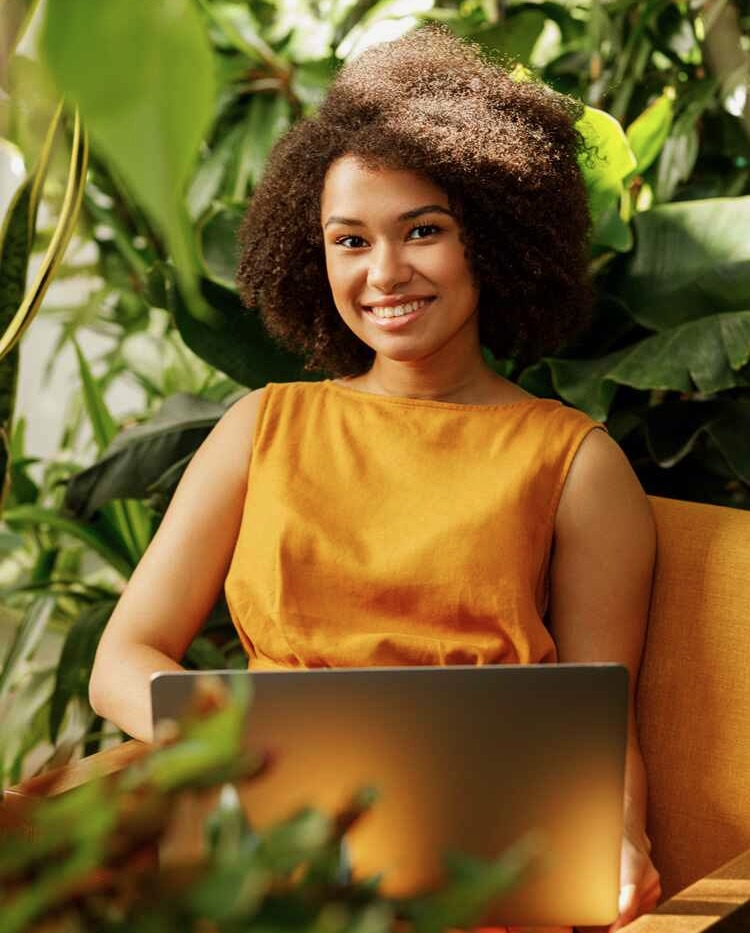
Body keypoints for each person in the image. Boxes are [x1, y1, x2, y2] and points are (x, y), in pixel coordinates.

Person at [89, 23, 661, 933]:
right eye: (348, 241)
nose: (384, 273)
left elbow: (598, 723)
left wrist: (620, 840)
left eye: (423, 231)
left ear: (497, 237)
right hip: (267, 861)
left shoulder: (577, 464)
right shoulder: (259, 428)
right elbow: (121, 662)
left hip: (477, 877)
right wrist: (250, 759)